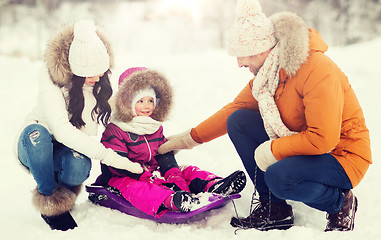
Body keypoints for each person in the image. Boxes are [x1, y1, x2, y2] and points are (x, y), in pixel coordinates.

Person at [158, 0, 372, 232]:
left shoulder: (317, 69)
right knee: (239, 121)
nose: (239, 63)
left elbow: (324, 139)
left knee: (280, 177)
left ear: (262, 49)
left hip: (342, 155)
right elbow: (232, 110)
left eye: (242, 55)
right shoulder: (268, 77)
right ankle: (274, 209)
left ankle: (340, 203)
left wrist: (272, 150)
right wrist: (187, 140)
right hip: (308, 147)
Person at [15, 20, 143, 231]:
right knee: (36, 134)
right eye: (90, 72)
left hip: (66, 150)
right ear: (76, 69)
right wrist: (112, 158)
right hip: (34, 146)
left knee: (80, 167)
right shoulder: (51, 77)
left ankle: (63, 192)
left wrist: (150, 131)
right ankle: (50, 200)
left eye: (100, 71)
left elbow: (123, 114)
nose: (97, 77)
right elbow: (61, 129)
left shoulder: (99, 83)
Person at [99, 67, 247, 217]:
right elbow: (116, 164)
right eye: (141, 101)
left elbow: (164, 156)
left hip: (152, 171)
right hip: (124, 177)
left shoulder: (153, 126)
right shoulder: (116, 129)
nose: (147, 106)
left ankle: (214, 185)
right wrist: (147, 177)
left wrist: (176, 179)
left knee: (187, 171)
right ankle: (170, 200)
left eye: (151, 100)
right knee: (138, 189)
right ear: (127, 103)